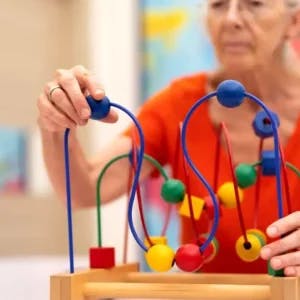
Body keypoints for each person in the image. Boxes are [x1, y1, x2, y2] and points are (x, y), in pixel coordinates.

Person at [38, 0, 300, 275]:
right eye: (218, 5)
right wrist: (55, 125)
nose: (231, 19)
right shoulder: (178, 105)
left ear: (293, 22)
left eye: (254, 4)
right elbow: (85, 189)